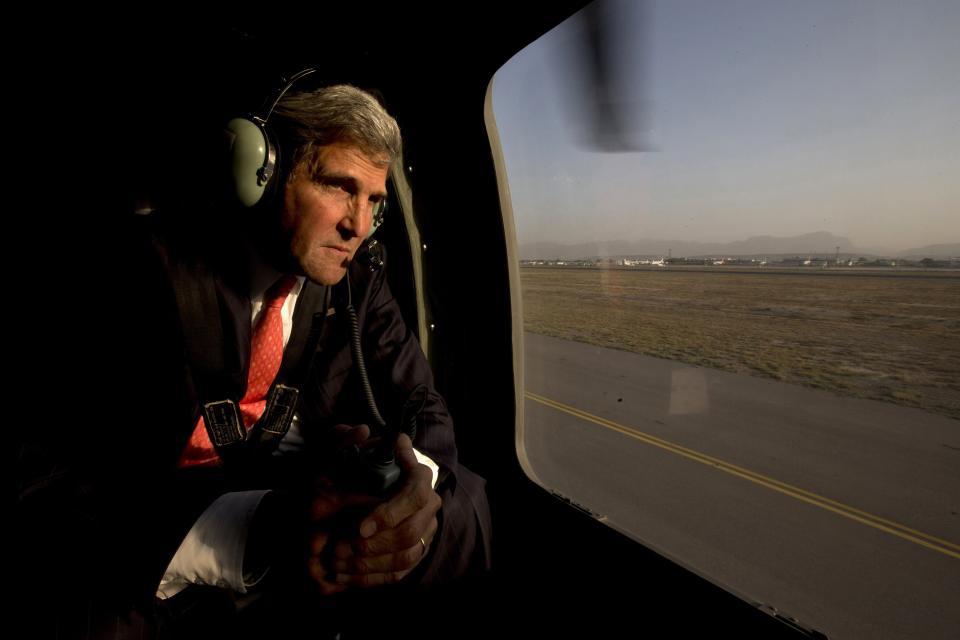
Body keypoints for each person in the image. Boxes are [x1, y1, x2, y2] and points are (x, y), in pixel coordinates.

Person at [17, 77, 491, 639]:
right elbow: (45, 478)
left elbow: (421, 401)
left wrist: (412, 499)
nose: (357, 226)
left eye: (374, 203)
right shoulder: (136, 273)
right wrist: (262, 529)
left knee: (466, 509)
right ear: (263, 174)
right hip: (154, 523)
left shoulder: (357, 284)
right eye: (340, 187)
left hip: (289, 492)